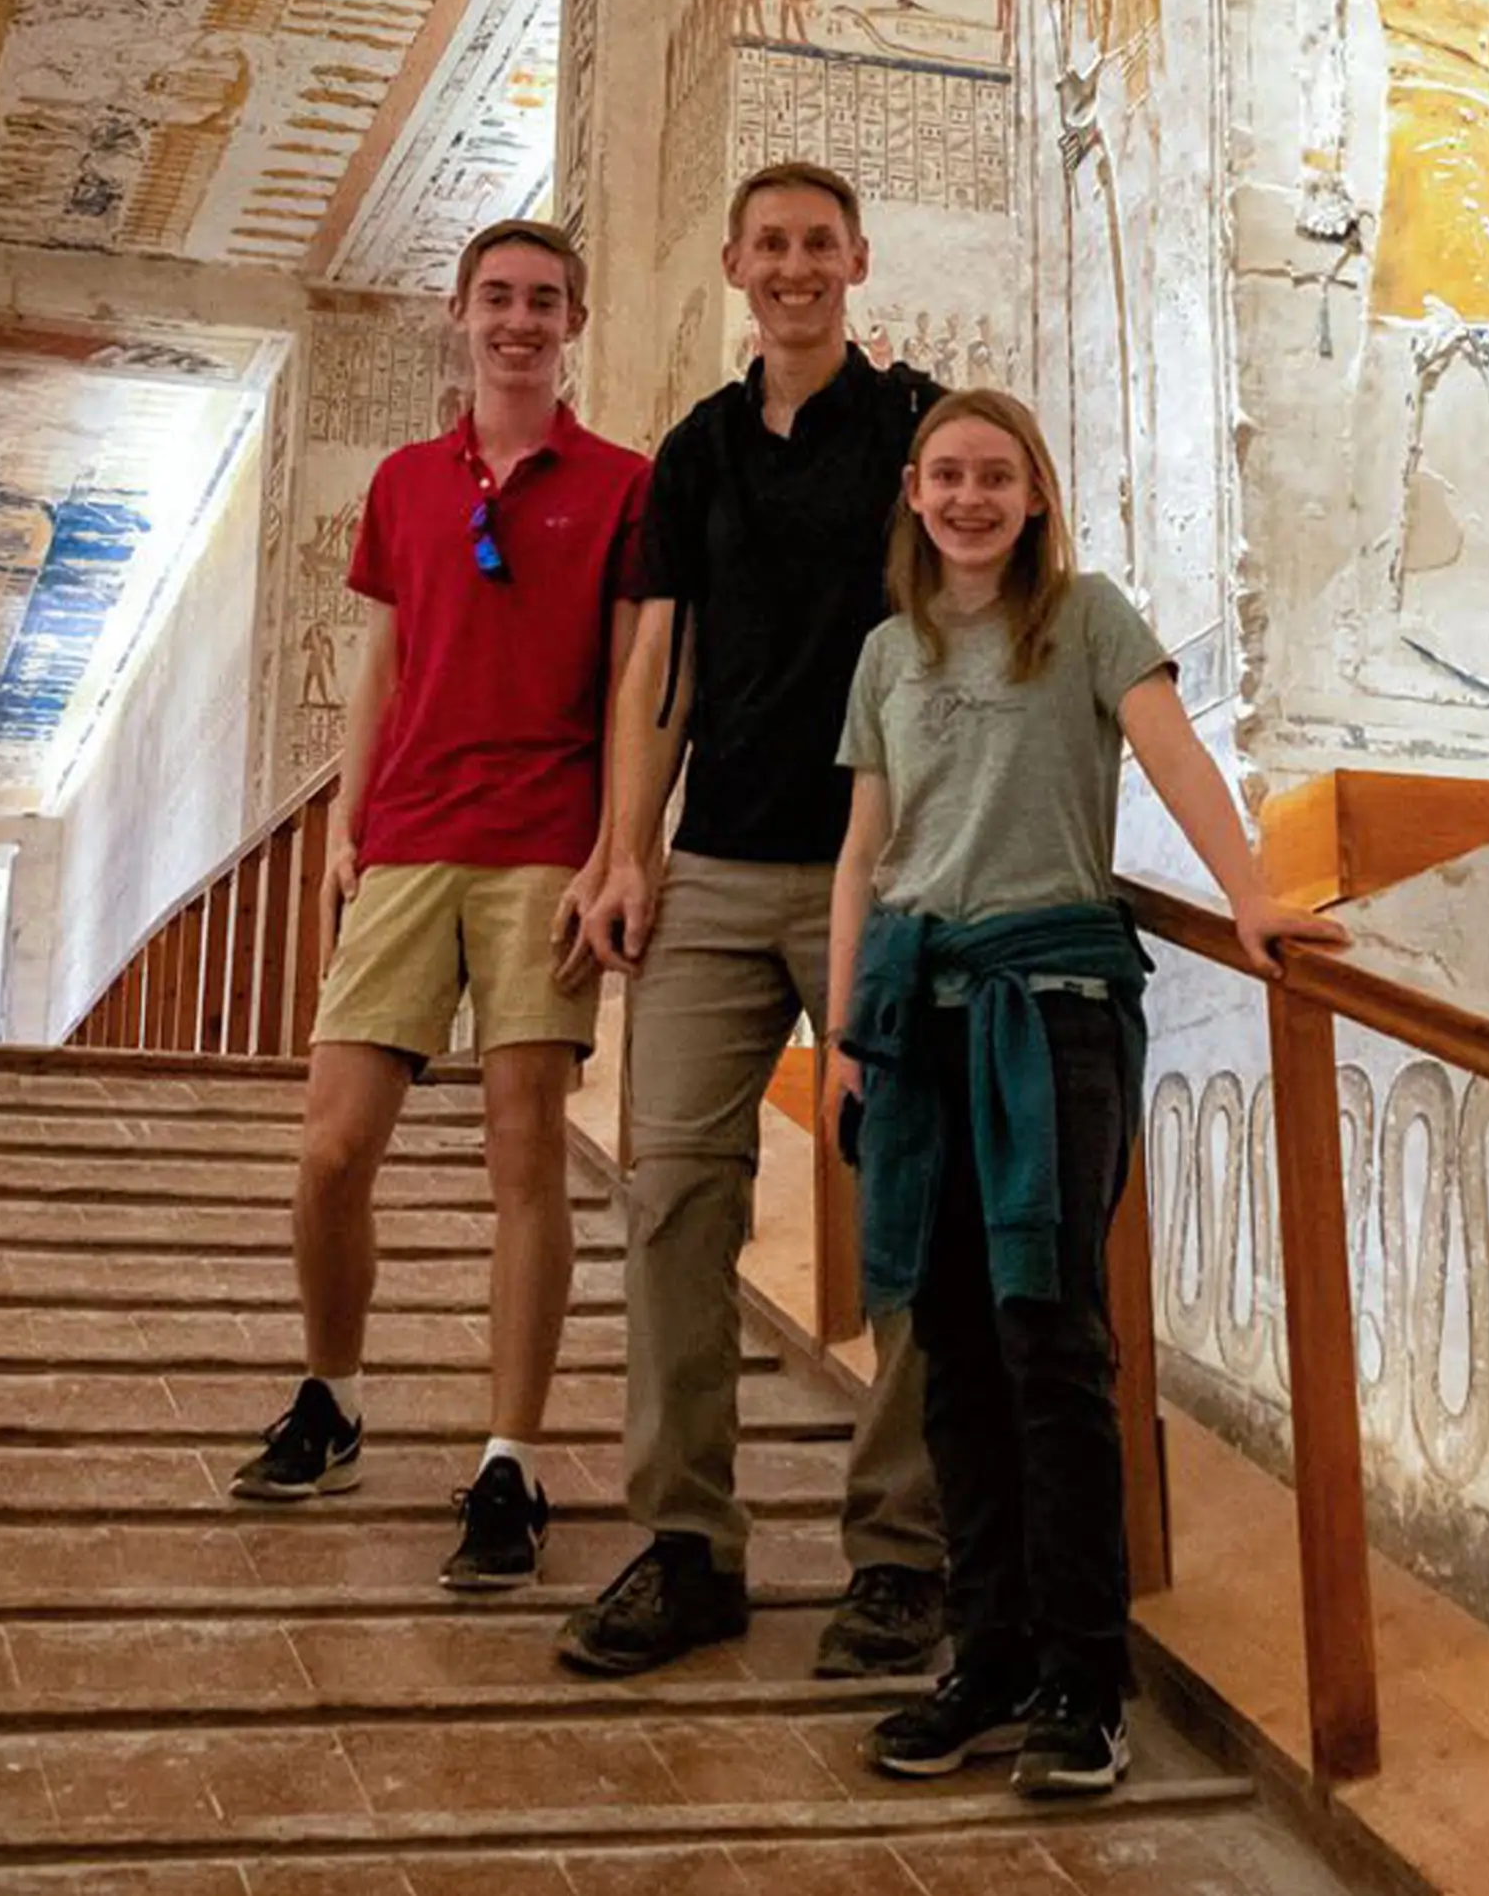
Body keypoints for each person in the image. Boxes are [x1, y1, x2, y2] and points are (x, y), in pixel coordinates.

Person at [826, 390, 1348, 1794]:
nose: (972, 496)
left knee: (1048, 1334)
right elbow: (865, 851)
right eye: (948, 474)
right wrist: (841, 1035)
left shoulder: (1090, 617)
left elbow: (1174, 753)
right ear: (915, 494)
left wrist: (1256, 900)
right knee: (942, 1335)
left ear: (1038, 492)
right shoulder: (887, 651)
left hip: (1049, 1005)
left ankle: (1082, 1672)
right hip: (918, 1013)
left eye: (998, 474)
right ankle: (984, 1649)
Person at [561, 163, 953, 1679]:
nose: (793, 267)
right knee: (673, 1206)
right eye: (769, 245)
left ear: (857, 259)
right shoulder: (701, 448)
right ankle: (688, 1544)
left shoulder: (914, 424)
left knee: (905, 1204)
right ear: (734, 263)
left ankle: (901, 1551)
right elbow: (657, 661)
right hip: (717, 869)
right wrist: (623, 849)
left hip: (881, 861)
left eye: (817, 244)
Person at [229, 220, 649, 1600]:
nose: (518, 321)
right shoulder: (409, 483)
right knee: (333, 1146)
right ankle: (332, 1392)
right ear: (459, 315)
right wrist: (349, 816)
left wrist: (615, 846)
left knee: (525, 1151)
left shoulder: (622, 485)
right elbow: (387, 648)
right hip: (408, 841)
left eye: (543, 300)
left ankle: (510, 1458)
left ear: (573, 319)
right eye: (497, 299)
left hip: (543, 847)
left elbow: (640, 687)